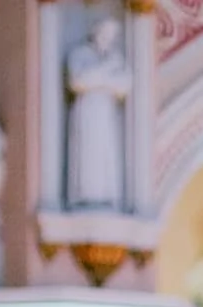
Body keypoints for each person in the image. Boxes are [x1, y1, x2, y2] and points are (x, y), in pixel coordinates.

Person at [66, 18, 131, 211]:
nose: (107, 38)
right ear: (95, 32)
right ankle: (85, 196)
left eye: (111, 35)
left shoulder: (115, 57)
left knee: (106, 154)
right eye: (104, 33)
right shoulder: (80, 54)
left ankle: (107, 197)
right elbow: (78, 81)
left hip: (107, 111)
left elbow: (123, 85)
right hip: (88, 109)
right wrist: (106, 71)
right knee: (89, 150)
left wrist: (98, 78)